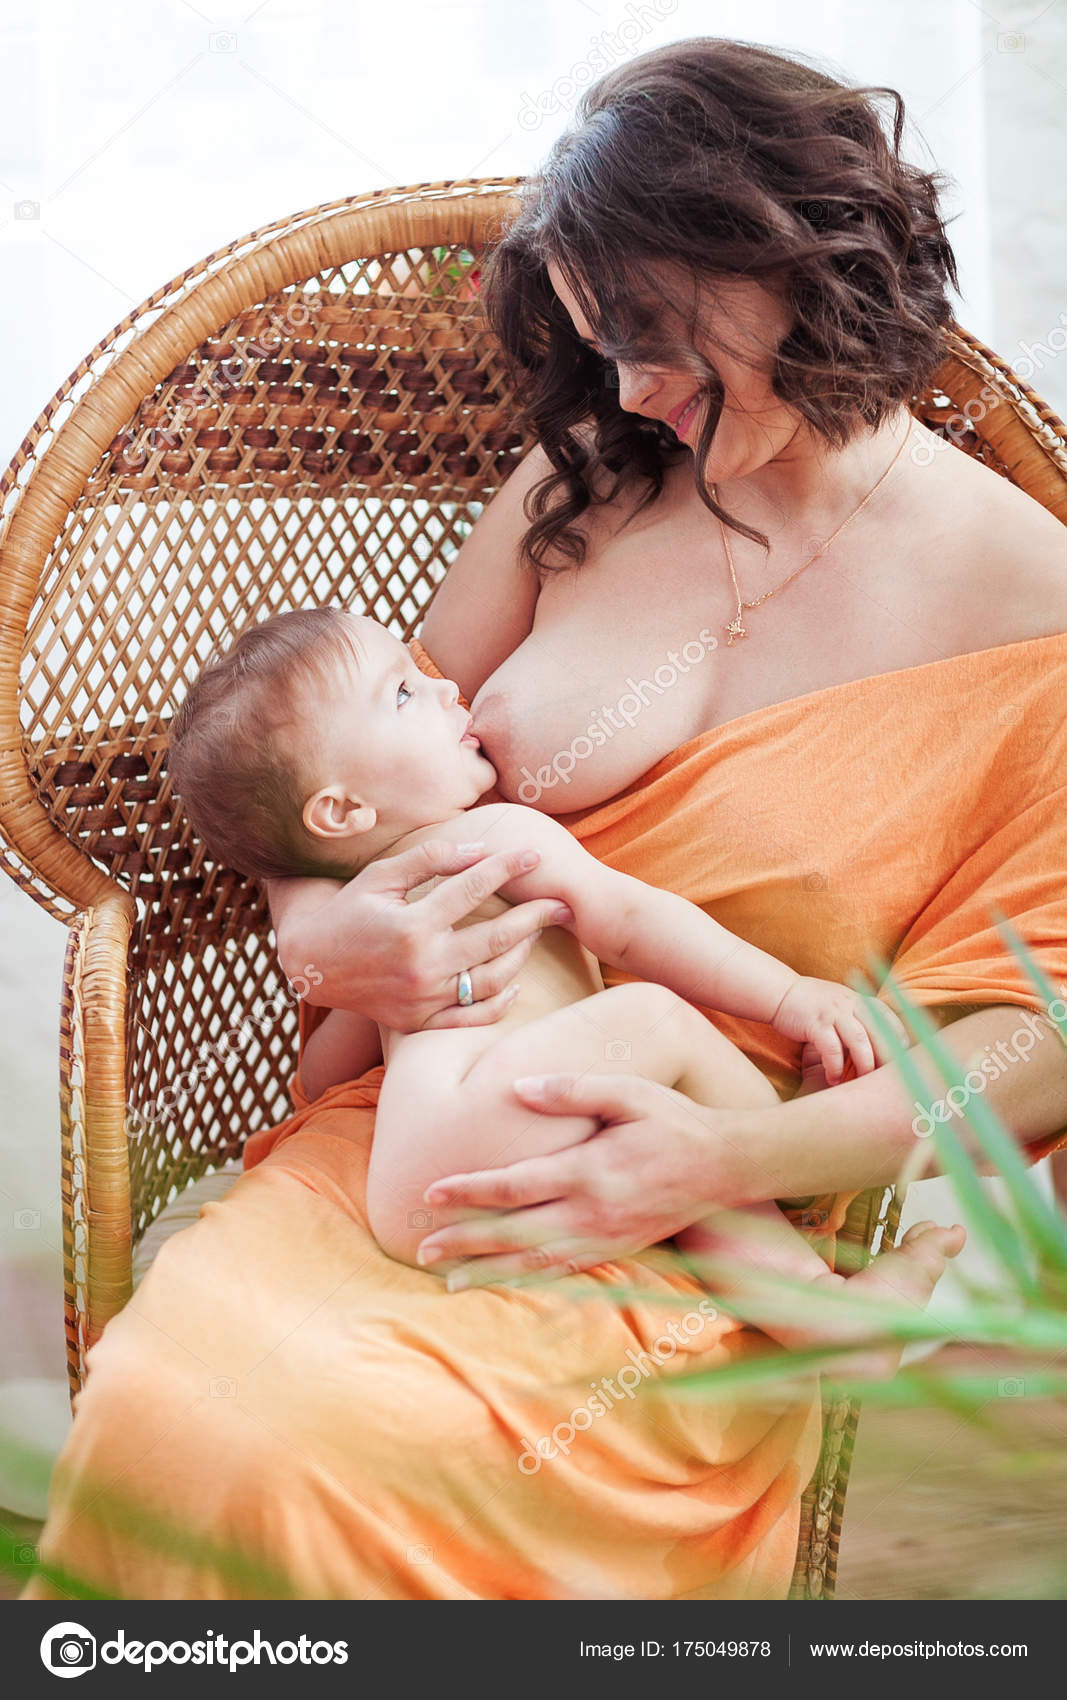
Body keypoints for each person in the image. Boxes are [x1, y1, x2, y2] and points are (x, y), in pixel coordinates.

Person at [23, 38, 1067, 1604]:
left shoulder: (1032, 617)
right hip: (414, 1120)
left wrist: (720, 1157)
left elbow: (1024, 1041)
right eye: (599, 347)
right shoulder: (589, 474)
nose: (629, 390)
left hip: (696, 1204)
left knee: (345, 1452)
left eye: (646, 335)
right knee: (194, 1411)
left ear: (790, 256)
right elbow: (340, 795)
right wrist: (330, 944)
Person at [166, 602, 965, 1349]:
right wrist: (788, 997)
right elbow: (631, 920)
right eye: (403, 693)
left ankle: (820, 1315)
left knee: (650, 1129)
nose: (445, 688)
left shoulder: (376, 932)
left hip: (410, 1197)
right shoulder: (489, 837)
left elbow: (322, 1078)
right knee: (653, 1021)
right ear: (341, 812)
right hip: (489, 1130)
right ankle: (795, 1158)